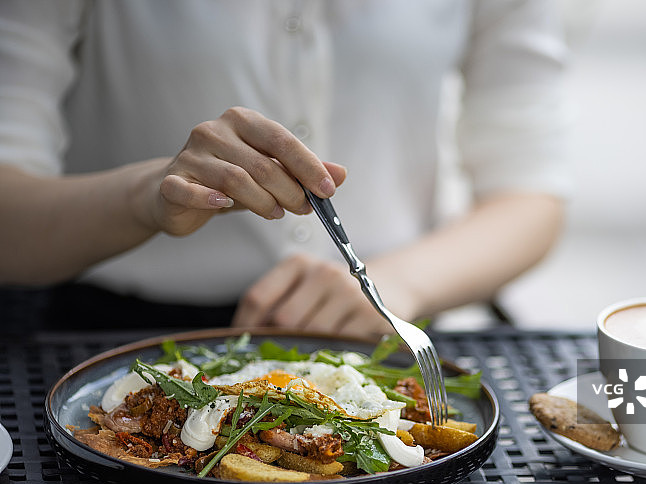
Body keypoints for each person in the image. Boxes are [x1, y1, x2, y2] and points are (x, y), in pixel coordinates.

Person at [0, 1, 570, 338]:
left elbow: (530, 193)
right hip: (117, 337)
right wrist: (148, 195)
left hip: (382, 330)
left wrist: (396, 283)